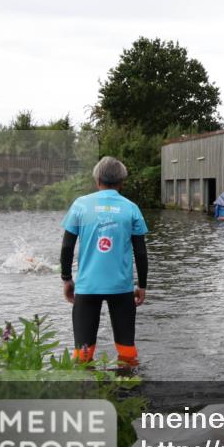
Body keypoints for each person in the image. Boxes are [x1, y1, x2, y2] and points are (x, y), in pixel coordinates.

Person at [60, 156, 148, 365]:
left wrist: (66, 279)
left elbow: (67, 247)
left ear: (97, 179)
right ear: (122, 182)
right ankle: (127, 392)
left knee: (82, 353)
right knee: (127, 351)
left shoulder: (80, 205)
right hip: (122, 289)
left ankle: (83, 392)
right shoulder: (131, 208)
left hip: (87, 288)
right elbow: (141, 252)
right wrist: (142, 285)